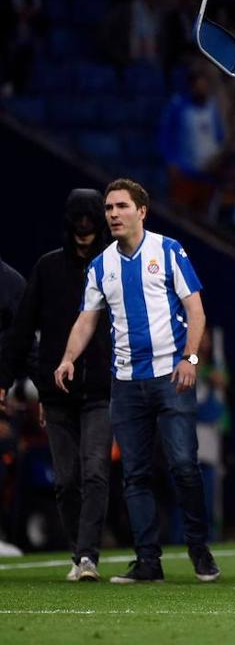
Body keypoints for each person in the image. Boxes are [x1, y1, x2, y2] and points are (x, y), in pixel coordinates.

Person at [54, 178, 218, 584]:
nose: (113, 214)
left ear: (142, 211)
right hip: (125, 383)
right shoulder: (101, 265)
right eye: (109, 207)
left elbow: (196, 311)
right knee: (135, 474)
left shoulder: (168, 250)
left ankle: (199, 548)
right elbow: (87, 318)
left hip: (171, 375)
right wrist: (68, 358)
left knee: (183, 465)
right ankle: (148, 561)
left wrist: (190, 358)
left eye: (121, 206)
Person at [0, 190, 112, 581]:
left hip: (101, 389)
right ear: (69, 223)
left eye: (89, 220)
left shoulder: (115, 267)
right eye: (77, 221)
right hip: (58, 393)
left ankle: (87, 557)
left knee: (96, 471)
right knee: (67, 481)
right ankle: (78, 552)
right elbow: (22, 329)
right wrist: (5, 379)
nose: (84, 228)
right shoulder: (48, 269)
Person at [158, 69, 224, 217]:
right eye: (198, 86)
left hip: (208, 175)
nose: (202, 89)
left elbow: (219, 137)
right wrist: (171, 162)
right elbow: (165, 136)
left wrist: (217, 162)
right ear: (191, 86)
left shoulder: (212, 107)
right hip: (185, 174)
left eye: (204, 86)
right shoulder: (178, 106)